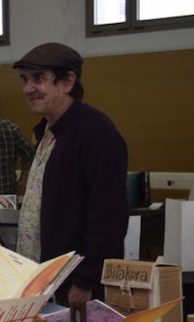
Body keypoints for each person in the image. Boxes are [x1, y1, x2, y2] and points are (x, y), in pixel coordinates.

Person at [14, 42, 128, 305]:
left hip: (75, 288)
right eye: (24, 79)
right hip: (42, 283)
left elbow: (109, 217)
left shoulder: (96, 133)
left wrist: (86, 281)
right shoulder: (47, 132)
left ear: (67, 82)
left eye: (38, 79)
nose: (28, 88)